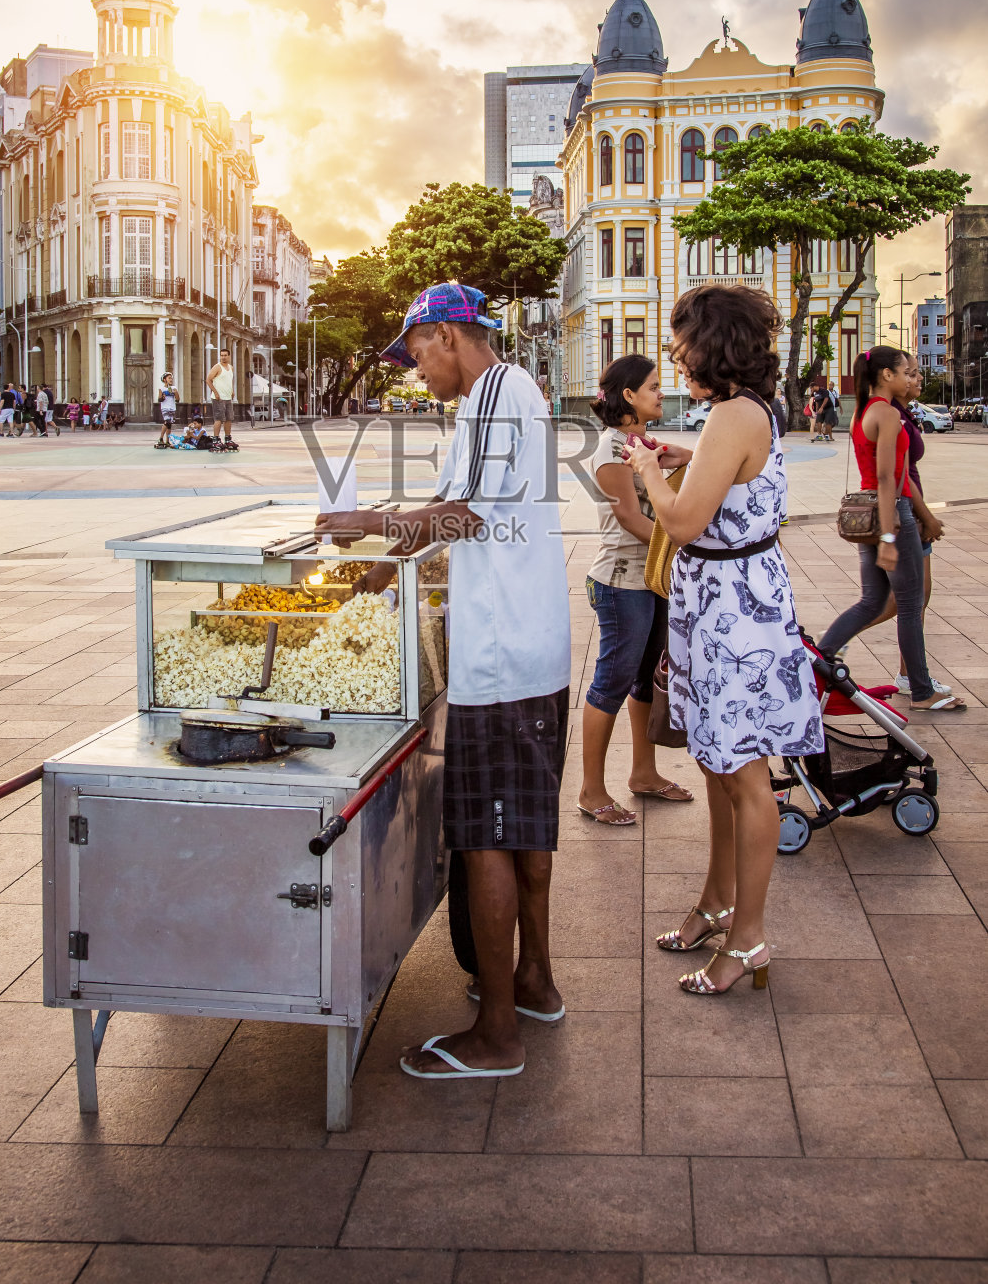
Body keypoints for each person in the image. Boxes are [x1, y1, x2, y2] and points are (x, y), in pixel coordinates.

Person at [318, 282, 571, 1079]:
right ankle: (532, 981)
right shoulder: (498, 396)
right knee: (524, 828)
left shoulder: (498, 394)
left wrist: (367, 524)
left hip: (500, 655)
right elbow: (450, 505)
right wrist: (383, 568)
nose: (412, 369)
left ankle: (497, 1035)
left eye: (416, 352)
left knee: (486, 838)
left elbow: (465, 516)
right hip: (530, 643)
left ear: (447, 334)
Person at [628, 285, 824, 995]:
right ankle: (715, 902)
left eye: (682, 339)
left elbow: (679, 524)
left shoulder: (734, 414)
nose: (675, 353)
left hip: (731, 613)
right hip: (724, 602)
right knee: (717, 765)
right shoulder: (738, 413)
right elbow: (726, 486)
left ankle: (747, 939)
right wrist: (685, 455)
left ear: (714, 342)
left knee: (744, 778)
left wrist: (649, 470)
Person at [580, 354, 694, 825]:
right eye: (652, 386)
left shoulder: (639, 443)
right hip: (620, 582)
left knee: (645, 677)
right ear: (628, 396)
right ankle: (590, 790)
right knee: (611, 681)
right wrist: (684, 545)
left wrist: (675, 453)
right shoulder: (610, 450)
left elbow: (691, 461)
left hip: (648, 580)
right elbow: (629, 519)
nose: (661, 393)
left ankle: (643, 774)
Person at [819, 346, 962, 712]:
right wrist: (888, 535)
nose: (910, 377)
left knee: (871, 602)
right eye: (904, 371)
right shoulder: (884, 413)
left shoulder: (863, 413)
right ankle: (921, 690)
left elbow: (888, 474)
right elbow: (888, 477)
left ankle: (818, 659)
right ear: (886, 375)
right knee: (911, 606)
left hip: (869, 510)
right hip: (890, 514)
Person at [206, 346, 235, 448]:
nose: (223, 357)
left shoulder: (231, 367)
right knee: (219, 418)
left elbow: (230, 380)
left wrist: (232, 391)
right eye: (221, 355)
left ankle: (227, 439)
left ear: (229, 356)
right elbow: (208, 380)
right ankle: (216, 439)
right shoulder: (217, 367)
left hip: (228, 397)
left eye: (225, 355)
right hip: (218, 398)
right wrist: (215, 393)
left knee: (228, 418)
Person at [156, 373, 179, 449]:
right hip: (165, 408)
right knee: (167, 422)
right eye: (169, 378)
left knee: (169, 425)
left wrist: (175, 392)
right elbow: (159, 399)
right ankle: (161, 438)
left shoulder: (174, 388)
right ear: (164, 380)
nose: (171, 379)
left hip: (172, 408)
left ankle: (167, 441)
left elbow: (178, 399)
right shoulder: (161, 389)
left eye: (171, 378)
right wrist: (162, 397)